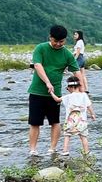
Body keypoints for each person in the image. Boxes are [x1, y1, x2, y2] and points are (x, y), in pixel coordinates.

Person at [28, 25, 80, 157]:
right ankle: (33, 150)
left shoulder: (67, 54)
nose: (58, 44)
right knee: (35, 122)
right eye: (55, 41)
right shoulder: (41, 48)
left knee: (55, 121)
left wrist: (82, 91)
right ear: (50, 37)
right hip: (37, 91)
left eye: (61, 41)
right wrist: (47, 82)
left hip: (55, 94)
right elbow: (37, 65)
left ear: (65, 40)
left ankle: (52, 148)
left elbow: (77, 71)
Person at [57, 75, 95, 156]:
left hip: (70, 121)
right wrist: (92, 114)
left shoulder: (68, 96)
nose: (67, 90)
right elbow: (89, 105)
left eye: (67, 88)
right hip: (82, 121)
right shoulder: (84, 95)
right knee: (84, 137)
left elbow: (57, 100)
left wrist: (51, 92)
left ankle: (65, 151)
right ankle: (86, 152)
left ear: (71, 87)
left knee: (67, 136)